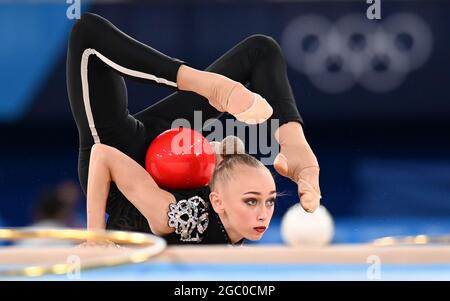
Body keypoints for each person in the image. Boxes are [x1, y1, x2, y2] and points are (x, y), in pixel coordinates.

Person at [67, 13, 321, 244]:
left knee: (87, 35)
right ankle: (202, 84)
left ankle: (210, 103)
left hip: (127, 174)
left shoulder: (197, 217)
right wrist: (95, 238)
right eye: (252, 201)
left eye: (270, 201)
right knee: (261, 50)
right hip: (129, 155)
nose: (263, 215)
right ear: (217, 199)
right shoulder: (175, 216)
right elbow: (102, 154)